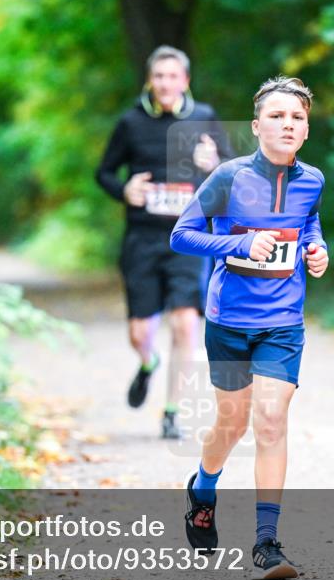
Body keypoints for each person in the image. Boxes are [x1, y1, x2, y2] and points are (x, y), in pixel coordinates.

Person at [170, 77, 328, 580]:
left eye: (297, 117)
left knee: (271, 419)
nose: (288, 124)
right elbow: (182, 235)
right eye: (277, 116)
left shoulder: (313, 180)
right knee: (232, 423)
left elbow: (309, 223)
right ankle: (203, 487)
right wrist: (239, 245)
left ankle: (267, 543)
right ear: (257, 126)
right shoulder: (228, 177)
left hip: (282, 323)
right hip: (229, 322)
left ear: (307, 130)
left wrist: (318, 249)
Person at [96, 45, 232, 440]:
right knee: (140, 333)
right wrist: (124, 190)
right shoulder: (130, 123)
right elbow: (104, 172)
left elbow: (232, 170)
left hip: (189, 237)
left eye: (173, 76)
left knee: (186, 323)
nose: (165, 83)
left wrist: (213, 164)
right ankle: (148, 361)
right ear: (149, 80)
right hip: (142, 237)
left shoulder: (204, 117)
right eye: (158, 76)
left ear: (185, 81)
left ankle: (172, 412)